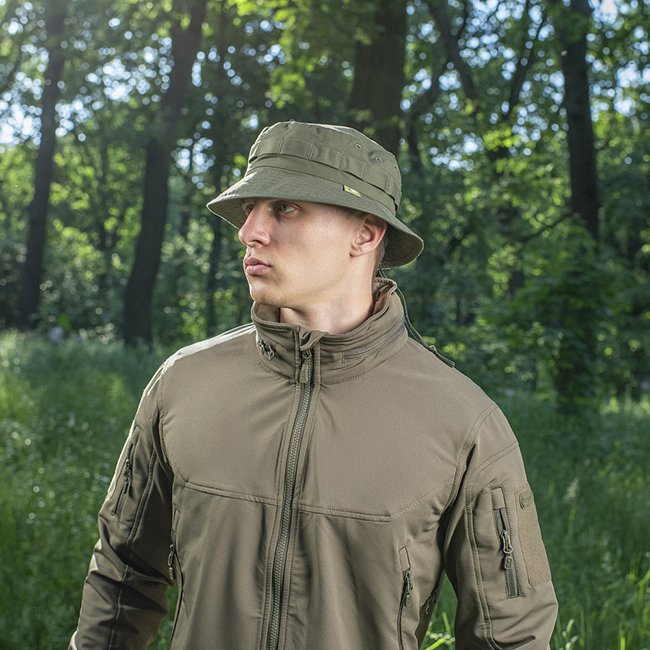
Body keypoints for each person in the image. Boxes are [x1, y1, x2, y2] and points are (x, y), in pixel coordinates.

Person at [70, 121, 558, 649]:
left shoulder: (463, 422)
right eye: (250, 208)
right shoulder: (182, 385)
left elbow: (510, 634)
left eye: (285, 208)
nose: (249, 231)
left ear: (366, 233)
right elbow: (122, 575)